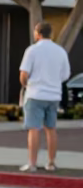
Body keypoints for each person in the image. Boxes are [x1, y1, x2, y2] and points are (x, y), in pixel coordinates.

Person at [18, 21, 72, 172]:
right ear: (51, 34)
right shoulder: (60, 51)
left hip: (35, 94)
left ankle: (32, 163)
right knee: (51, 128)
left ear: (37, 33)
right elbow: (65, 75)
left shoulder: (32, 50)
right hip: (54, 95)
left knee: (34, 129)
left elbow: (24, 74)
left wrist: (25, 84)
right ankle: (51, 162)